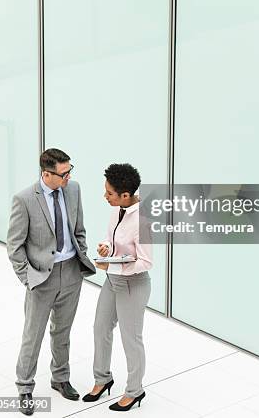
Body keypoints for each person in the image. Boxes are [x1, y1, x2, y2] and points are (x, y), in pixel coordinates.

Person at [7, 148, 96, 415]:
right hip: (40, 277)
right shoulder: (24, 199)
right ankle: (24, 386)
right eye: (64, 172)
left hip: (71, 272)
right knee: (32, 336)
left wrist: (81, 251)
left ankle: (60, 378)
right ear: (47, 174)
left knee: (62, 332)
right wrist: (28, 279)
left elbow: (78, 229)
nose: (69, 176)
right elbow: (14, 246)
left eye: (70, 170)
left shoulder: (74, 189)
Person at [83, 163, 152, 412]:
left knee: (131, 339)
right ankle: (102, 379)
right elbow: (113, 241)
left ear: (125, 194)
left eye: (109, 193)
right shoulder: (118, 210)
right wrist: (106, 248)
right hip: (112, 280)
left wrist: (115, 267)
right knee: (100, 328)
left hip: (133, 285)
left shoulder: (142, 220)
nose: (105, 196)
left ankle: (135, 391)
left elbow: (146, 261)